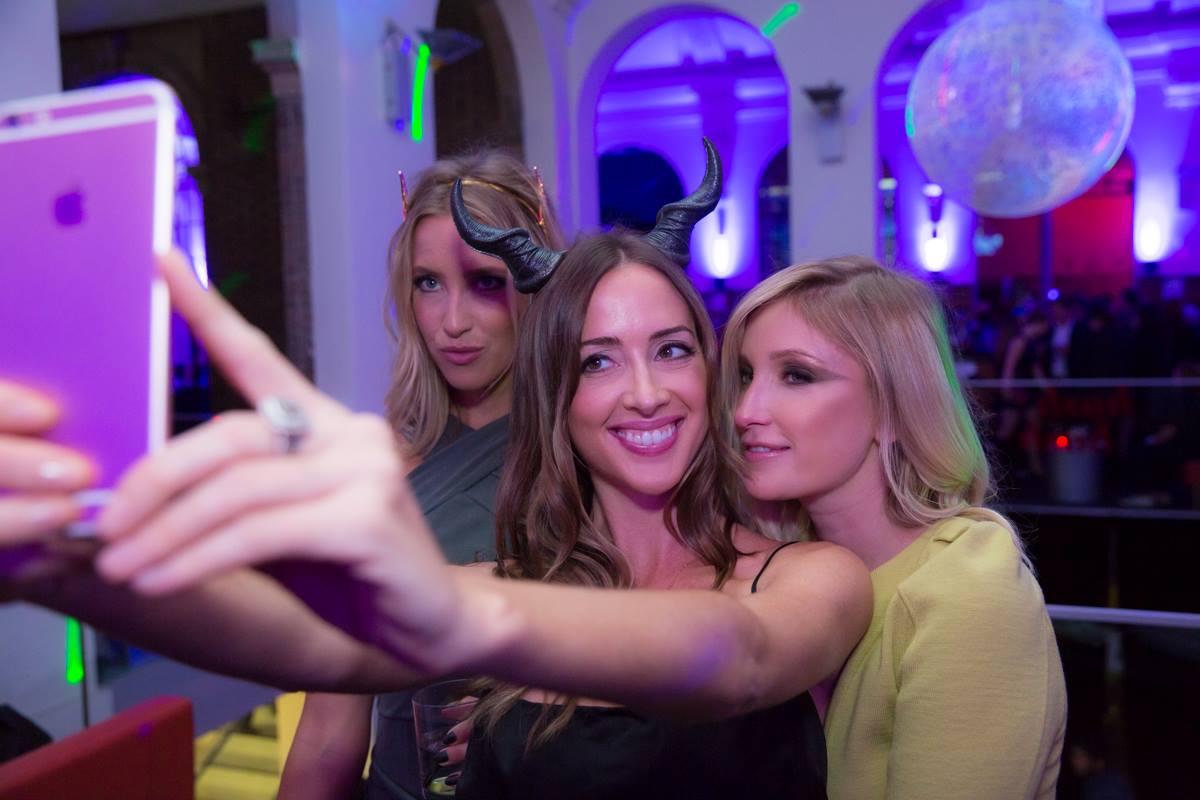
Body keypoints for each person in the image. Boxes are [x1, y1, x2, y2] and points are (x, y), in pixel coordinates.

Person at [85, 141, 871, 798]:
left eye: (671, 349)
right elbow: (308, 643)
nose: (644, 392)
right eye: (598, 361)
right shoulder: (514, 581)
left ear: (709, 368)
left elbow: (740, 660)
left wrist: (466, 622)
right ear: (555, 395)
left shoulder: (814, 577)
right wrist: (84, 553)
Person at [721, 255, 1067, 799]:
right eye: (746, 375)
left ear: (892, 405)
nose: (745, 410)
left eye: (797, 375)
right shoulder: (779, 568)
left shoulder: (968, 592)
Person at [282, 151, 562, 800]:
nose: (452, 322)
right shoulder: (373, 467)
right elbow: (326, 735)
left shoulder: (589, 460)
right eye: (428, 283)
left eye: (485, 282)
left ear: (536, 281)